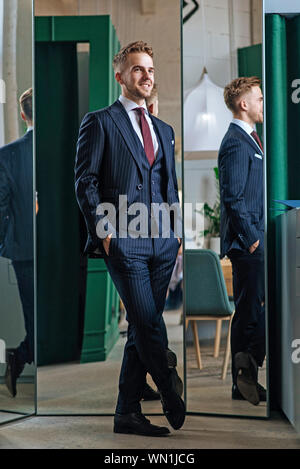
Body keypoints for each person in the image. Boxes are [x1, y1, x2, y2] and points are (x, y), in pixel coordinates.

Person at [75, 41, 185, 436]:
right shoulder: (100, 121)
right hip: (124, 239)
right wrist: (104, 233)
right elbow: (84, 181)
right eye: (138, 69)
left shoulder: (164, 130)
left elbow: (170, 186)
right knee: (147, 321)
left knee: (143, 325)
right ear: (120, 76)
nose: (147, 75)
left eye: (151, 69)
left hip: (162, 242)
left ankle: (126, 411)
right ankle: (169, 383)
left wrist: (176, 234)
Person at [218, 76, 266, 406]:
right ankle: (243, 378)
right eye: (259, 99)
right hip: (247, 243)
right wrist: (252, 241)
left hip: (255, 240)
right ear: (243, 104)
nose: (263, 103)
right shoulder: (236, 141)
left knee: (252, 309)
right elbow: (233, 197)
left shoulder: (250, 138)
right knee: (249, 310)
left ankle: (246, 379)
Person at [0, 88, 34, 397]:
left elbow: (0, 207)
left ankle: (19, 356)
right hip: (50, 250)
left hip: (22, 250)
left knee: (37, 321)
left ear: (23, 115)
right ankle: (21, 356)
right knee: (39, 324)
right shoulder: (66, 148)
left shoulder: (6, 155)